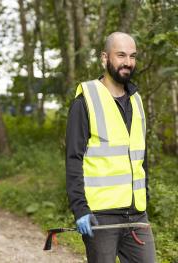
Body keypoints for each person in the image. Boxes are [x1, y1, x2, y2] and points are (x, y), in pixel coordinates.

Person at [65, 32, 156, 263]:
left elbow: (140, 156)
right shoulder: (85, 100)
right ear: (104, 58)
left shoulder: (136, 100)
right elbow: (73, 159)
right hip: (100, 216)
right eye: (121, 55)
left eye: (133, 56)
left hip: (136, 215)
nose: (128, 62)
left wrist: (144, 196)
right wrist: (80, 209)